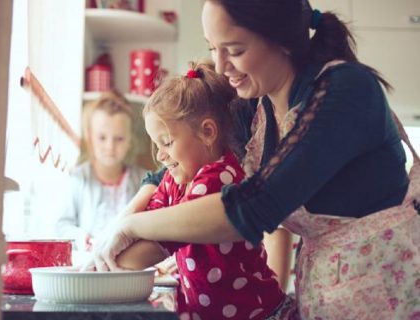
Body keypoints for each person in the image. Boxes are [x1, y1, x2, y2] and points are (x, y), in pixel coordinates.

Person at [91, 1, 420, 319]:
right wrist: (118, 226)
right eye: (213, 49)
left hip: (389, 288)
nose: (220, 67)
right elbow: (169, 168)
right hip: (328, 290)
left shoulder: (346, 91)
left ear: (282, 41)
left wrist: (132, 225)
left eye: (234, 51)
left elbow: (250, 209)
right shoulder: (255, 107)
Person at [88, 61, 293, 319]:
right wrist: (112, 239)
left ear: (208, 132)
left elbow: (152, 246)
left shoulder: (219, 179)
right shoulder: (176, 179)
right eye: (156, 145)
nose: (161, 156)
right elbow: (153, 213)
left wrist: (103, 258)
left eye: (167, 142)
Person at [55, 90, 146, 251]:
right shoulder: (78, 177)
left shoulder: (144, 180)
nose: (110, 147)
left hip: (130, 263)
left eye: (119, 139)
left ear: (129, 140)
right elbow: (62, 225)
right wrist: (80, 237)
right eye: (102, 138)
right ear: (90, 137)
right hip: (89, 262)